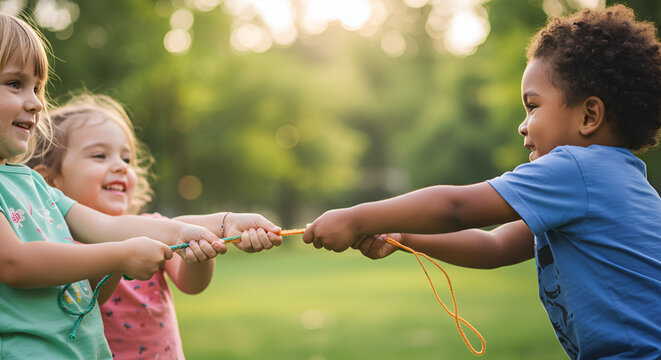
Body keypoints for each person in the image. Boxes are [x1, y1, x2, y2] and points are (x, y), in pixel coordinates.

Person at [302, 5, 661, 359]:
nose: (522, 125)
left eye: (533, 106)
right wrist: (404, 236)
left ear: (589, 115)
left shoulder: (577, 170)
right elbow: (496, 247)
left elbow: (456, 208)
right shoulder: (611, 181)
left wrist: (356, 218)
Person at [0, 13, 275, 359]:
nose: (37, 102)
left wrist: (221, 224)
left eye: (37, 88)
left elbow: (111, 227)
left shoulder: (37, 188)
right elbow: (15, 263)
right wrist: (121, 255)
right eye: (14, 83)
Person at [28, 92, 283, 359]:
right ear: (49, 181)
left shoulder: (150, 228)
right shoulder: (56, 243)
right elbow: (85, 297)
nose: (120, 167)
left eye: (126, 159)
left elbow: (191, 282)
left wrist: (202, 250)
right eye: (100, 156)